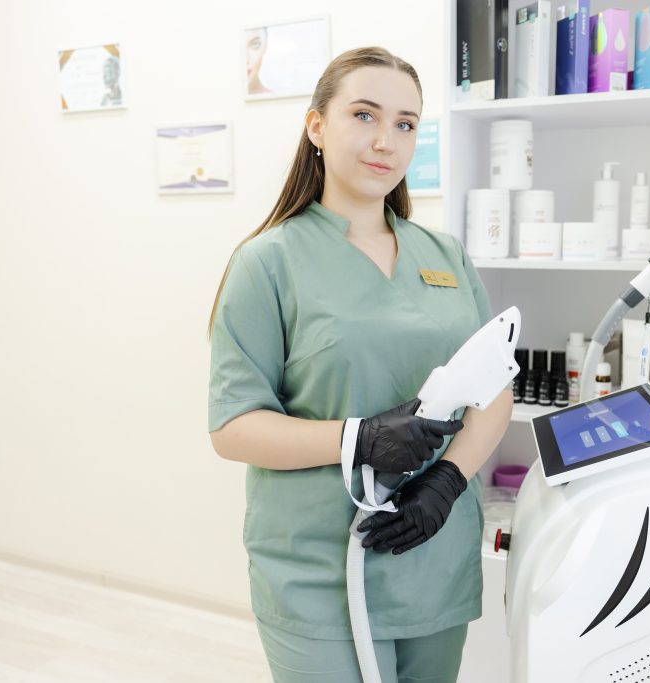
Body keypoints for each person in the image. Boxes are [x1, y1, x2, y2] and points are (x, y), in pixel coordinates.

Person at [207, 46, 513, 683]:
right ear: (317, 126)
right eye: (364, 115)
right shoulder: (267, 262)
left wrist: (448, 479)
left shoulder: (445, 255)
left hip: (431, 551)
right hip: (318, 566)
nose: (385, 141)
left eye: (405, 124)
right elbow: (233, 428)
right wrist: (359, 438)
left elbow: (495, 390)